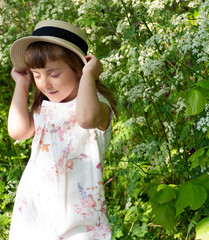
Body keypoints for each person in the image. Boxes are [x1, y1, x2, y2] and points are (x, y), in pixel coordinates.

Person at [7, 19, 117, 240]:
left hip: (80, 223)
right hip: (35, 216)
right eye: (37, 75)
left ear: (78, 68)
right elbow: (18, 131)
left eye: (53, 74)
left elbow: (85, 119)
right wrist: (22, 84)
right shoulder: (44, 108)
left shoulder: (98, 106)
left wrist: (89, 75)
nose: (45, 84)